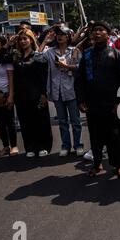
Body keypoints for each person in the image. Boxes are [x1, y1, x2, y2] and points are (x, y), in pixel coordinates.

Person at [75, 21, 120, 178]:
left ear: (108, 34)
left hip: (113, 104)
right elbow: (80, 79)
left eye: (101, 30)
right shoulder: (86, 55)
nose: (96, 33)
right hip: (93, 104)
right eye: (94, 30)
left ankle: (118, 165)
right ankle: (97, 163)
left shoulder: (117, 54)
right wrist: (81, 100)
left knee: (115, 136)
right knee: (95, 135)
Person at [38, 25, 84, 157]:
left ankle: (78, 145)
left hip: (71, 91)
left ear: (68, 36)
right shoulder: (50, 52)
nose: (59, 36)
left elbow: (79, 68)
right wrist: (45, 42)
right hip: (56, 91)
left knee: (75, 121)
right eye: (58, 34)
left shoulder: (74, 51)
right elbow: (37, 57)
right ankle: (65, 146)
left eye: (63, 34)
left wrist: (67, 66)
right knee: (63, 122)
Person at [12, 29, 52, 158]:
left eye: (25, 38)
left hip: (37, 94)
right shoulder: (16, 57)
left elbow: (43, 76)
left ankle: (43, 146)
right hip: (21, 95)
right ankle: (30, 146)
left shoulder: (37, 56)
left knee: (41, 121)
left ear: (31, 40)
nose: (23, 41)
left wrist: (43, 94)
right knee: (25, 122)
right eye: (21, 39)